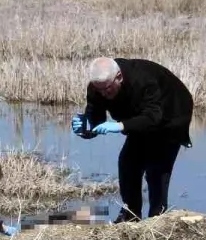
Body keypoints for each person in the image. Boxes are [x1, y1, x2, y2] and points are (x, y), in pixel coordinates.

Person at [72, 57, 193, 222]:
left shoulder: (144, 80)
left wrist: (120, 126)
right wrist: (84, 129)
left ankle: (157, 218)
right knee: (128, 163)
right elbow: (96, 122)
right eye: (99, 90)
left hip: (171, 114)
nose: (103, 94)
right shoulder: (98, 87)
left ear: (119, 77)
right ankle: (131, 215)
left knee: (156, 170)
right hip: (138, 116)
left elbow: (153, 117)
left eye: (107, 89)